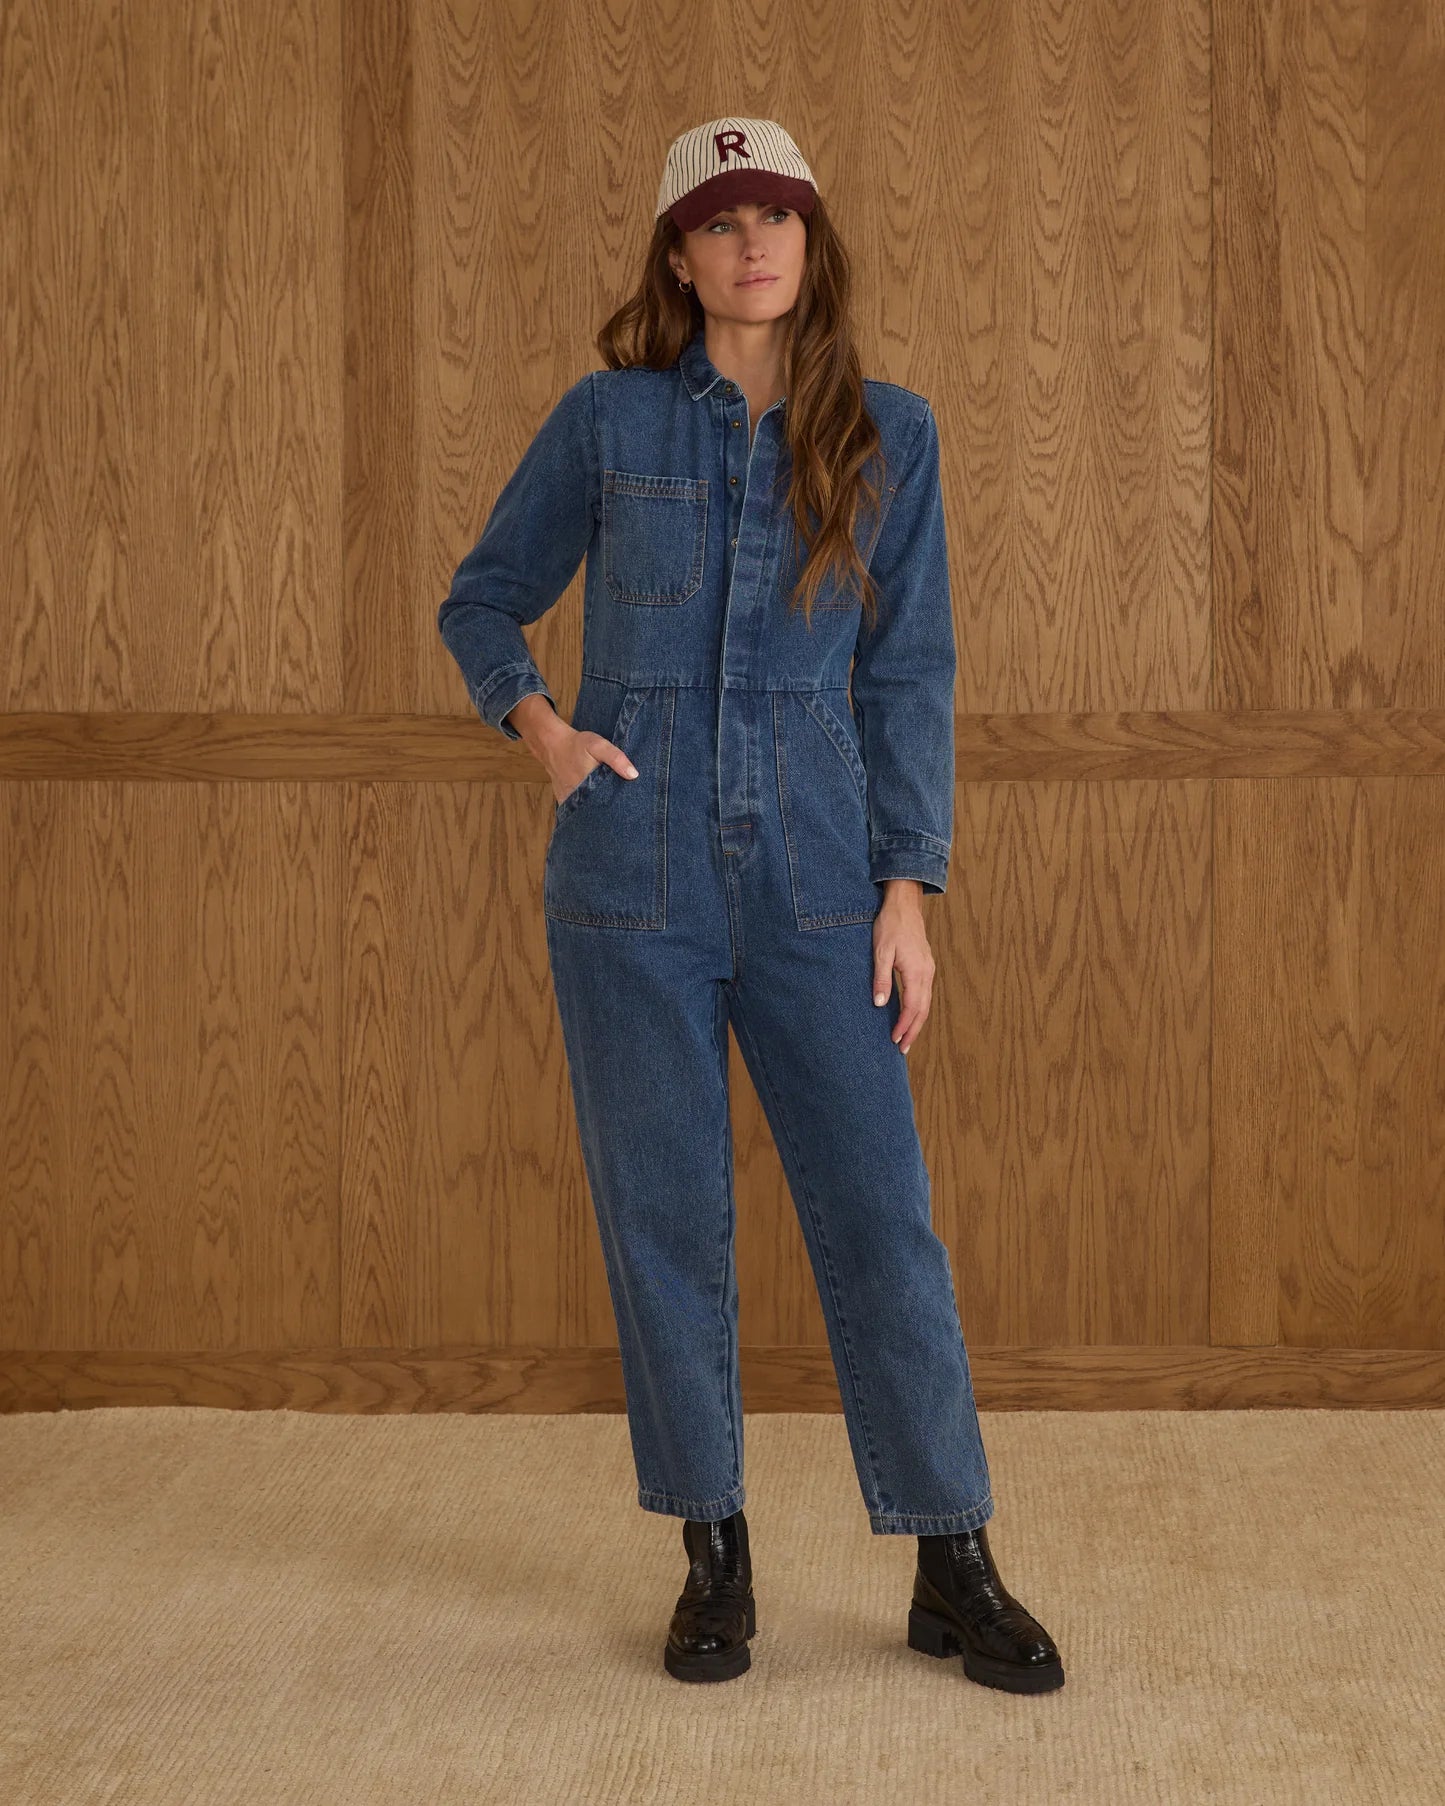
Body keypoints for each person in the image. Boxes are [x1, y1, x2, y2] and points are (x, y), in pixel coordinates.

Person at [437, 116, 1063, 1693]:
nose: (751, 243)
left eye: (775, 215)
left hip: (819, 877)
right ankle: (712, 1555)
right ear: (678, 256)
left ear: (808, 239)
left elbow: (908, 670)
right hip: (628, 882)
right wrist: (549, 736)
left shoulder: (888, 434)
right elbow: (482, 597)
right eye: (719, 221)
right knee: (666, 1221)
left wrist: (907, 889)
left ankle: (951, 1557)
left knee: (881, 1215)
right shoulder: (608, 421)